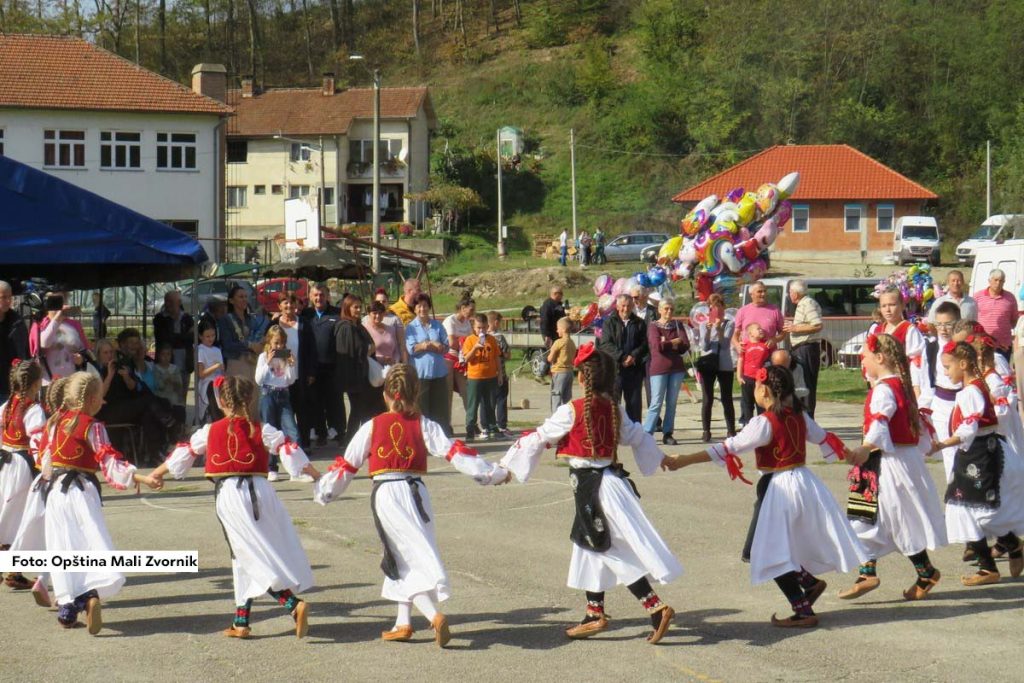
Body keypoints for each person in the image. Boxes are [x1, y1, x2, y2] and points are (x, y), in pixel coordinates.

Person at [315, 364, 509, 646]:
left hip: (387, 495)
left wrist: (324, 491)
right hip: (418, 494)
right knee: (405, 555)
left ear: (385, 394)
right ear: (416, 391)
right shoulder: (424, 424)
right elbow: (455, 452)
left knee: (404, 558)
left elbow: (347, 465)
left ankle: (434, 617)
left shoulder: (372, 426)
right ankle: (402, 622)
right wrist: (492, 473)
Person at [500, 345, 682, 643]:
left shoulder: (570, 409)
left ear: (582, 379)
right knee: (590, 546)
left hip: (594, 489)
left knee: (606, 548)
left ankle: (655, 607)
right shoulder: (614, 409)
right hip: (609, 484)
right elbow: (637, 436)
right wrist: (661, 458)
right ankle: (594, 612)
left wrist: (507, 467)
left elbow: (539, 437)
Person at [663, 366, 867, 628]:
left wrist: (685, 460)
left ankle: (803, 609)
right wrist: (851, 455)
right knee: (770, 547)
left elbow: (729, 447)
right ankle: (809, 583)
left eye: (756, 387)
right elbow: (824, 438)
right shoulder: (799, 416)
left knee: (763, 550)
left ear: (764, 390)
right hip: (804, 482)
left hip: (778, 488)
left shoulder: (764, 423)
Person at [152, 375, 320, 639]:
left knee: (246, 553)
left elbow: (186, 451)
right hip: (262, 492)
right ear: (251, 399)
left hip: (231, 494)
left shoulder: (210, 430)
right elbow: (287, 446)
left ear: (220, 400)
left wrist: (158, 473)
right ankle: (241, 621)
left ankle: (292, 604)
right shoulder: (260, 427)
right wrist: (315, 474)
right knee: (243, 551)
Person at [44, 371, 160, 632]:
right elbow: (110, 463)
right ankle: (89, 594)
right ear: (95, 399)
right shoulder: (92, 425)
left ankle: (68, 604)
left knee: (62, 546)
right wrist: (141, 477)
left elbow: (46, 463)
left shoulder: (55, 422)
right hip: (81, 490)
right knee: (90, 542)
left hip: (55, 494)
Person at [839, 334, 947, 601]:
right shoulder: (900, 386)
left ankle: (923, 572)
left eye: (864, 355)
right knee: (869, 517)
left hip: (888, 462)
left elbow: (880, 422)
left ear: (880, 358)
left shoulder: (884, 390)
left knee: (895, 519)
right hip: (894, 460)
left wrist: (865, 447)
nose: (862, 359)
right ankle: (869, 572)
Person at [929, 341, 1024, 585]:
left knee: (971, 508)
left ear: (963, 364)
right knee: (969, 508)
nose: (946, 372)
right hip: (977, 455)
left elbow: (968, 427)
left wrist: (942, 444)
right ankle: (1006, 551)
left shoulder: (970, 392)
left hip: (982, 456)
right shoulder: (974, 388)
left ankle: (991, 564)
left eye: (948, 367)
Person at [8, 375, 71, 608]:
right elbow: (37, 443)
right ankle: (65, 592)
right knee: (40, 528)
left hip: (14, 465)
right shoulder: (41, 413)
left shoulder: (9, 405)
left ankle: (34, 576)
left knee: (20, 522)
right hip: (39, 474)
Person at [0, 360, 45, 590]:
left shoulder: (8, 404)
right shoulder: (33, 409)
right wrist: (45, 466)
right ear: (36, 384)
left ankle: (12, 571)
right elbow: (37, 440)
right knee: (21, 516)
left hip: (5, 463)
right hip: (21, 465)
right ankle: (10, 568)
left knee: (9, 514)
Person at [336, 294, 386, 446]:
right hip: (355, 378)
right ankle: (351, 441)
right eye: (355, 307)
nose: (358, 310)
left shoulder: (357, 325)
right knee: (358, 410)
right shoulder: (345, 327)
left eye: (359, 307)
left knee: (367, 410)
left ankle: (366, 440)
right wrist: (367, 349)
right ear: (347, 308)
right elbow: (350, 353)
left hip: (364, 376)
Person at [256, 325, 301, 482]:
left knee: (292, 430)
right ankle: (271, 467)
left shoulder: (285, 357)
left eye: (282, 343)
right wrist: (268, 362)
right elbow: (258, 380)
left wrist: (291, 364)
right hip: (268, 394)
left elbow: (291, 380)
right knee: (270, 431)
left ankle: (296, 467)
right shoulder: (263, 357)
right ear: (269, 341)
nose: (279, 346)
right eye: (276, 343)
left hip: (283, 394)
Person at [868, 287, 930, 398]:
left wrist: (916, 390)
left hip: (903, 385)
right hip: (881, 384)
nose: (887, 309)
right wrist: (872, 378)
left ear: (902, 306)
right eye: (884, 306)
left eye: (892, 305)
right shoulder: (877, 330)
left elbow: (917, 361)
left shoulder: (909, 330)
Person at [301, 284, 343, 446]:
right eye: (316, 295)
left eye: (322, 295)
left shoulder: (337, 314)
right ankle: (321, 433)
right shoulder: (306, 314)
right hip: (312, 367)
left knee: (334, 401)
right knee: (315, 401)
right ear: (311, 297)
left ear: (327, 296)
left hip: (332, 366)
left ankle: (339, 432)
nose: (319, 298)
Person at [644, 297, 688, 445]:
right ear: (659, 310)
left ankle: (668, 432)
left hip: (676, 369)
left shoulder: (677, 325)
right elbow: (657, 347)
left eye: (671, 309)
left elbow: (685, 345)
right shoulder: (653, 326)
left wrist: (667, 343)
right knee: (656, 402)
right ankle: (647, 432)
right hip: (659, 369)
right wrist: (674, 342)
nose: (669, 311)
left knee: (672, 403)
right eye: (666, 308)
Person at [405, 293, 451, 435]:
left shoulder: (437, 325)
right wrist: (430, 344)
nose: (422, 309)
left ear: (429, 307)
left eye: (425, 306)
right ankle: (422, 438)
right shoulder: (410, 327)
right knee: (422, 409)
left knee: (440, 409)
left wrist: (431, 346)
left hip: (439, 373)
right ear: (414, 309)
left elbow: (445, 346)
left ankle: (442, 437)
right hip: (421, 375)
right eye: (419, 306)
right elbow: (412, 348)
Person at [599, 294, 648, 423]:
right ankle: (612, 433)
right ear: (617, 306)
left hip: (633, 370)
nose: (626, 309)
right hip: (614, 370)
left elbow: (644, 344)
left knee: (634, 405)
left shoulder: (639, 323)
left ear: (633, 306)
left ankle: (634, 434)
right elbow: (605, 344)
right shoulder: (609, 322)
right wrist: (622, 357)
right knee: (612, 404)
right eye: (623, 306)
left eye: (628, 306)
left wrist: (633, 356)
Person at [695, 293, 736, 442]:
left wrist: (718, 329)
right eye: (712, 308)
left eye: (718, 307)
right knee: (708, 398)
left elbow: (725, 345)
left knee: (726, 398)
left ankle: (731, 430)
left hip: (724, 364)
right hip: (708, 363)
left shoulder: (729, 323)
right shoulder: (703, 324)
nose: (716, 311)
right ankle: (706, 431)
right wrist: (706, 331)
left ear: (723, 308)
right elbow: (705, 346)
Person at [274, 295, 312, 449]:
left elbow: (312, 349)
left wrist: (311, 372)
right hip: (280, 377)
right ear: (279, 305)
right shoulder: (274, 324)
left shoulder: (303, 323)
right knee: (283, 413)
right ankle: (283, 446)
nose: (289, 305)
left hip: (300, 375)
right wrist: (287, 355)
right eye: (285, 302)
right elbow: (270, 350)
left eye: (292, 302)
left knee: (303, 411)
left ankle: (304, 444)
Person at [30, 294, 89, 385]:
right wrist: (57, 319)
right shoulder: (40, 325)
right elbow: (44, 343)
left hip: (71, 380)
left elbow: (84, 350)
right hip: (49, 382)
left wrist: (81, 358)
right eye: (55, 304)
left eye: (62, 302)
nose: (59, 308)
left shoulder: (74, 325)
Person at [460, 313, 501, 441]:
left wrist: (500, 373)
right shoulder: (470, 340)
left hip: (490, 376)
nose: (481, 330)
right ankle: (470, 428)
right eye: (478, 328)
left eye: (483, 327)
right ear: (474, 327)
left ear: (487, 326)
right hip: (475, 377)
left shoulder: (492, 340)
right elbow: (466, 359)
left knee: (489, 403)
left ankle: (491, 426)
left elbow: (497, 357)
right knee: (473, 404)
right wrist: (475, 347)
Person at [786, 280, 823, 417]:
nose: (789, 295)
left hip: (806, 348)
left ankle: (808, 418)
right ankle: (802, 416)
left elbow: (817, 325)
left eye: (790, 292)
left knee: (806, 384)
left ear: (795, 293)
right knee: (800, 383)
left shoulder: (807, 304)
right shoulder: (803, 304)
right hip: (801, 347)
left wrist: (795, 328)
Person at [153, 290, 195, 404]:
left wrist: (179, 337)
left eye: (172, 301)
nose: (168, 304)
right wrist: (184, 336)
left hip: (184, 362)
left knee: (182, 394)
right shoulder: (160, 318)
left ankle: (181, 417)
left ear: (179, 302)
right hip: (166, 362)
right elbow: (165, 338)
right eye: (167, 301)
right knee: (165, 394)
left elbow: (193, 337)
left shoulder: (187, 318)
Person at [974, 269, 1019, 363]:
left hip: (1003, 345)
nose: (998, 283)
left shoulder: (1010, 298)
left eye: (1001, 280)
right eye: (996, 280)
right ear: (989, 281)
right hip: (983, 344)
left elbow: (1014, 320)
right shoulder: (978, 296)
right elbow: (973, 319)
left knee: (1003, 373)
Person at [219, 285, 261, 381]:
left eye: (246, 297)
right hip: (235, 362)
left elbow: (257, 336)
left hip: (253, 361)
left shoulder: (251, 319)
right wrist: (249, 345)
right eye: (241, 297)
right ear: (231, 301)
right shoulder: (225, 319)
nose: (244, 299)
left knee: (253, 394)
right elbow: (227, 344)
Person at [443, 298, 475, 418]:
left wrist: (463, 341)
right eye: (471, 310)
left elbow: (471, 340)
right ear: (463, 309)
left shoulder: (466, 322)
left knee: (466, 391)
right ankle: (447, 422)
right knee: (448, 391)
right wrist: (463, 341)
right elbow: (452, 343)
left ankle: (471, 421)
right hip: (449, 358)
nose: (473, 313)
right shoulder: (450, 321)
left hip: (462, 360)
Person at [0, 281, 29, 404]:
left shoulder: (17, 322)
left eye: (9, 297)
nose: (8, 301)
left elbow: (25, 352)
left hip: (12, 387)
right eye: (3, 297)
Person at [739, 323, 772, 426]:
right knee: (747, 402)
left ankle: (762, 424)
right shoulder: (745, 345)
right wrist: (739, 376)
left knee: (761, 402)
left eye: (761, 328)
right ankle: (748, 424)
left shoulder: (766, 345)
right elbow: (740, 360)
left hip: (761, 379)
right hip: (747, 377)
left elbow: (770, 360)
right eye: (758, 329)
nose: (761, 330)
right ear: (751, 334)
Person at [487, 311, 512, 437]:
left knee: (489, 401)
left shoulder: (483, 337)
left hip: (487, 374)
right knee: (501, 400)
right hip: (500, 373)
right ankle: (502, 425)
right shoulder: (499, 337)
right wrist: (503, 354)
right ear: (495, 323)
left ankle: (489, 425)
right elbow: (508, 355)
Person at [196, 322, 225, 425]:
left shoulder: (217, 350)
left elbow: (222, 371)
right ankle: (217, 420)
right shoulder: (200, 350)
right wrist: (216, 366)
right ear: (200, 336)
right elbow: (201, 374)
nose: (211, 338)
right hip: (208, 383)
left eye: (213, 335)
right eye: (207, 336)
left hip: (219, 382)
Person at [365, 301, 407, 371]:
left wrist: (395, 361)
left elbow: (396, 348)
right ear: (369, 314)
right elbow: (365, 353)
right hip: (374, 371)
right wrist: (382, 359)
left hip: (392, 369)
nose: (378, 316)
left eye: (380, 313)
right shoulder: (365, 330)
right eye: (374, 313)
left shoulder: (391, 329)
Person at [151, 343, 186, 427]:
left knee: (180, 410)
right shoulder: (155, 368)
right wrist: (165, 380)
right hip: (161, 397)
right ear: (159, 355)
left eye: (168, 354)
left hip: (174, 397)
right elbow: (158, 385)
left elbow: (179, 386)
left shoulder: (175, 368)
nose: (166, 357)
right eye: (163, 354)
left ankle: (180, 429)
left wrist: (174, 382)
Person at [548, 317, 576, 414]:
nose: (556, 330)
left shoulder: (558, 342)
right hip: (570, 372)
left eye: (558, 328)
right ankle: (567, 417)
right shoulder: (572, 343)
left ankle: (555, 419)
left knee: (556, 396)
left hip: (560, 373)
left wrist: (551, 353)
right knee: (567, 398)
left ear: (563, 330)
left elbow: (550, 358)